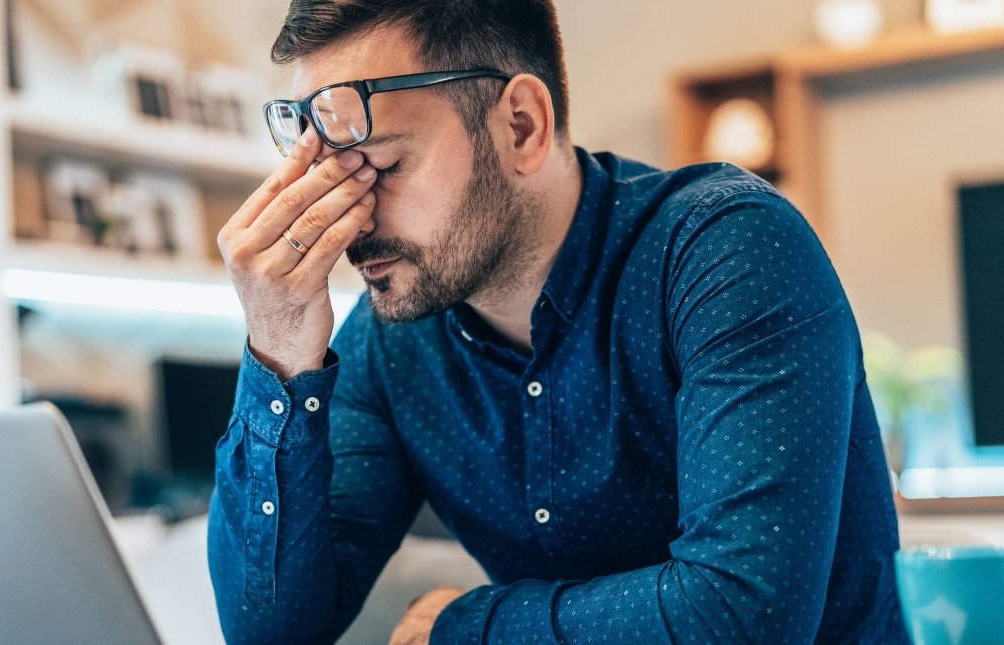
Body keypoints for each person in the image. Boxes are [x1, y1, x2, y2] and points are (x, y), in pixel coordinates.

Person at [208, 1, 907, 643]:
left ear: (522, 126)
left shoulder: (728, 251)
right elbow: (273, 633)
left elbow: (742, 613)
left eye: (382, 168)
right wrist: (278, 350)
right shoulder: (392, 339)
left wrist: (467, 630)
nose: (351, 221)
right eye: (328, 181)